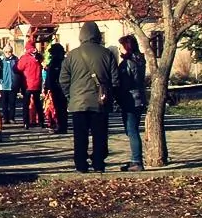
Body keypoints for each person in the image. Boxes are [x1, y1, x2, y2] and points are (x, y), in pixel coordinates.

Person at [60, 22, 116, 173]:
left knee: (80, 136)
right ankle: (98, 162)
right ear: (97, 35)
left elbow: (63, 79)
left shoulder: (72, 55)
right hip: (100, 102)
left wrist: (69, 95)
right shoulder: (106, 54)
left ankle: (81, 164)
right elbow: (115, 79)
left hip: (78, 103)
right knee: (100, 135)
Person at [114, 34, 148, 171]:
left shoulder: (127, 64)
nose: (119, 49)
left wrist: (117, 95)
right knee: (132, 130)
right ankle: (136, 158)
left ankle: (137, 161)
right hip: (139, 98)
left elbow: (124, 83)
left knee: (132, 130)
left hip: (130, 100)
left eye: (120, 47)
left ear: (126, 47)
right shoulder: (140, 60)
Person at [45, 41, 69, 134]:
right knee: (60, 108)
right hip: (56, 87)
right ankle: (61, 125)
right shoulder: (57, 61)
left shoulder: (58, 62)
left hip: (58, 87)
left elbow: (52, 76)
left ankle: (62, 126)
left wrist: (49, 86)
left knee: (60, 108)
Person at [17, 44, 43, 128]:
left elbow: (19, 68)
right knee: (38, 103)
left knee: (26, 104)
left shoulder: (25, 58)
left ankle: (26, 122)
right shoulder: (39, 57)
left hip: (27, 84)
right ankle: (41, 121)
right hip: (37, 83)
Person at [0, 46, 18, 122]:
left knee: (12, 103)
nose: (8, 53)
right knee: (4, 103)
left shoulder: (15, 60)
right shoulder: (1, 60)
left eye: (9, 52)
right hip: (3, 85)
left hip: (12, 84)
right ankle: (5, 118)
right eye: (6, 52)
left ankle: (11, 118)